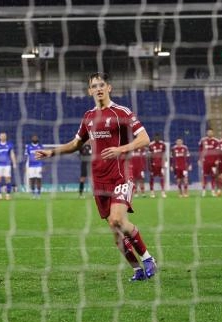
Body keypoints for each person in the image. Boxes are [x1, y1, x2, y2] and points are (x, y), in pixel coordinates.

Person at [35, 72, 158, 282]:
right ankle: (137, 270)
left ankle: (148, 258)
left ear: (109, 88)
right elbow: (75, 145)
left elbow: (145, 139)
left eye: (102, 85)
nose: (99, 88)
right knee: (114, 229)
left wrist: (122, 149)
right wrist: (51, 152)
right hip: (99, 180)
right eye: (94, 86)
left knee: (118, 220)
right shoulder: (88, 117)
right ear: (89, 90)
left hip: (120, 176)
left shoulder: (122, 112)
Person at [0, 132, 16, 200]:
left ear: (6, 137)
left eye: (4, 136)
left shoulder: (10, 144)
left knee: (8, 179)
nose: (3, 137)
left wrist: (14, 163)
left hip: (7, 165)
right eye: (1, 136)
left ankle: (8, 194)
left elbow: (12, 154)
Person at [198, 128, 219, 197]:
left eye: (211, 132)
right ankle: (204, 191)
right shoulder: (203, 140)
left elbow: (218, 152)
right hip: (205, 162)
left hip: (213, 162)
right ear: (207, 133)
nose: (209, 133)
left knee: (213, 176)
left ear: (212, 133)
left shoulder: (216, 141)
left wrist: (217, 160)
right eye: (208, 132)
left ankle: (213, 191)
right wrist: (200, 159)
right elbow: (200, 151)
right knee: (204, 176)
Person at [23, 134, 44, 199]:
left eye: (36, 137)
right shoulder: (28, 147)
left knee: (39, 179)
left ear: (37, 139)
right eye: (33, 137)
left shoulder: (41, 146)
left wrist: (43, 166)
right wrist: (25, 166)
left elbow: (43, 157)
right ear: (32, 139)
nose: (35, 138)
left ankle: (39, 194)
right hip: (31, 166)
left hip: (39, 165)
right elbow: (26, 157)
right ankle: (33, 194)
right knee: (32, 180)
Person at [147, 133, 167, 198]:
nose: (157, 138)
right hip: (153, 165)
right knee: (152, 178)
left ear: (159, 137)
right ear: (154, 137)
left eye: (158, 137)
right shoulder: (151, 145)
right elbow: (149, 156)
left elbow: (164, 155)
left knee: (162, 178)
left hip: (161, 165)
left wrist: (165, 164)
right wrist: (149, 165)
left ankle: (163, 192)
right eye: (156, 137)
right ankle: (152, 192)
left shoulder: (163, 144)